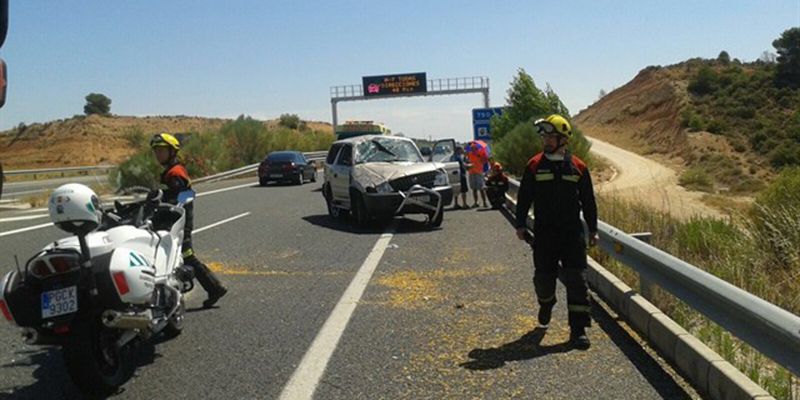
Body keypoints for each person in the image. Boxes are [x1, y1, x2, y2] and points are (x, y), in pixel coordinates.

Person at [514, 115, 599, 350]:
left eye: (551, 136)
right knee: (543, 279)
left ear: (563, 139)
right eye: (544, 136)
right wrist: (520, 224)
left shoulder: (579, 167)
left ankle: (578, 330)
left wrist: (593, 229)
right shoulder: (534, 165)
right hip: (544, 235)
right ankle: (547, 302)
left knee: (577, 281)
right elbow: (524, 198)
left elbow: (589, 201)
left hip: (572, 235)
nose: (546, 140)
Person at [151, 133, 228, 308]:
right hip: (176, 220)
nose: (158, 154)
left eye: (162, 151)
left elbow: (185, 197)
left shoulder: (175, 173)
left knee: (187, 256)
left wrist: (168, 208)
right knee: (179, 256)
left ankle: (214, 287)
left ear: (172, 152)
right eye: (156, 151)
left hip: (179, 222)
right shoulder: (170, 171)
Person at [466, 142, 489, 208]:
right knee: (474, 188)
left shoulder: (481, 153)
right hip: (471, 172)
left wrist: (481, 157)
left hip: (479, 172)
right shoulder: (469, 154)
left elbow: (485, 160)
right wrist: (468, 164)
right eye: (472, 148)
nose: (473, 149)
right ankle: (476, 202)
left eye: (474, 148)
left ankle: (484, 202)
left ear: (477, 148)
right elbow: (467, 161)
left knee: (481, 188)